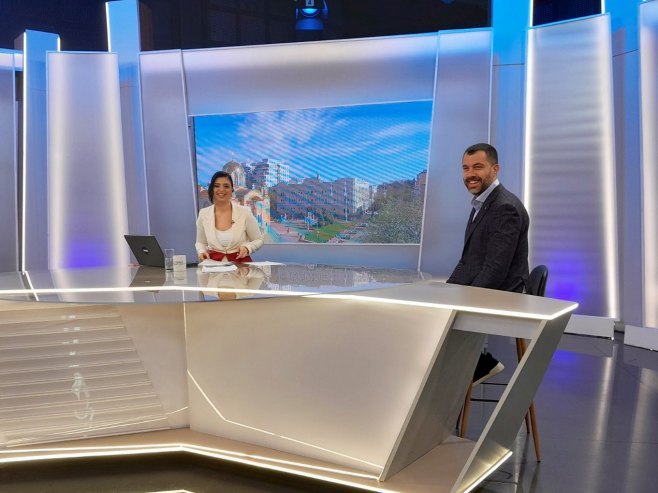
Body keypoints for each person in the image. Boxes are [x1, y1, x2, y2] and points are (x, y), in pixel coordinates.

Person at [447, 143, 529, 385]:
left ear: (495, 169)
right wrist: (447, 291)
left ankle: (480, 364)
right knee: (434, 307)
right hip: (490, 286)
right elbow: (467, 261)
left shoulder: (504, 207)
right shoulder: (482, 203)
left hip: (503, 294)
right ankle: (467, 366)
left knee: (438, 317)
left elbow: (495, 269)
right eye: (465, 168)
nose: (470, 174)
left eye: (478, 167)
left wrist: (460, 300)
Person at [196, 171, 264, 263]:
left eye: (226, 186)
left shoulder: (245, 212)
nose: (221, 190)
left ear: (232, 190)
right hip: (213, 267)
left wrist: (247, 248)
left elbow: (258, 240)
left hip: (241, 267)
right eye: (217, 186)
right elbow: (201, 242)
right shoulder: (203, 214)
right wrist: (201, 251)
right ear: (212, 189)